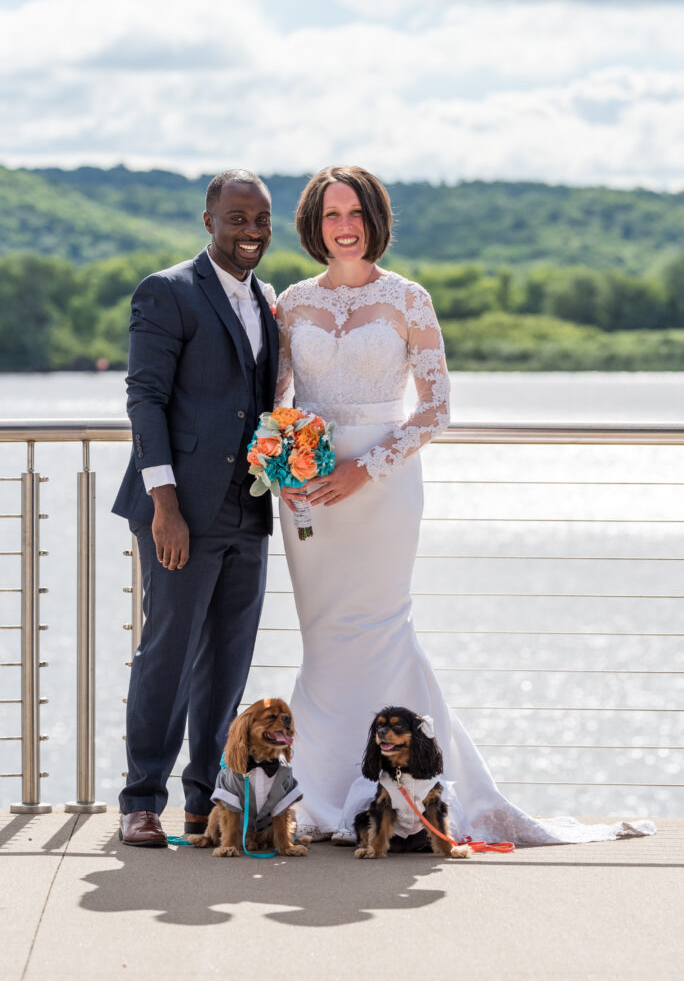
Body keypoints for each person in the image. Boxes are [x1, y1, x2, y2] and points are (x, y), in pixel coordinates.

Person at [274, 165, 655, 846]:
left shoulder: (408, 299)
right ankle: (323, 793)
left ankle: (412, 791)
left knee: (385, 628)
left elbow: (438, 406)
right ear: (313, 224)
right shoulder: (293, 305)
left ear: (374, 219)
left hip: (383, 488)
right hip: (311, 495)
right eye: (331, 214)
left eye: (354, 211)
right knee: (325, 640)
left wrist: (370, 466)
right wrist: (285, 466)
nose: (344, 226)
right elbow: (281, 403)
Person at [112, 170, 279, 847]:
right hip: (180, 510)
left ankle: (203, 799)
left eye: (261, 221)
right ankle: (140, 800)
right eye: (237, 219)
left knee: (228, 664)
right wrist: (165, 503)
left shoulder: (266, 300)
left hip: (250, 507)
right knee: (168, 654)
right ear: (208, 220)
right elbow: (144, 398)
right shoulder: (168, 291)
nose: (251, 233)